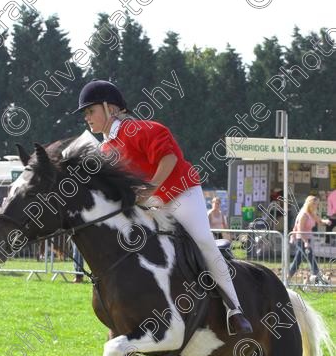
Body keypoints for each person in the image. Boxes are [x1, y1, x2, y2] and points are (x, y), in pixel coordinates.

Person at [75, 80, 252, 335]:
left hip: (181, 193)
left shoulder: (140, 129)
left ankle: (235, 309)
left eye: (90, 111)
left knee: (203, 241)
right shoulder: (104, 148)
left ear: (110, 108)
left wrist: (150, 187)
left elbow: (169, 158)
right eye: (85, 114)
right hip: (152, 204)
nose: (87, 118)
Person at [289, 195, 331, 281]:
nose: (317, 205)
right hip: (301, 239)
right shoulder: (304, 214)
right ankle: (287, 278)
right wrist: (305, 242)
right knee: (301, 259)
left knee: (304, 259)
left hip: (307, 239)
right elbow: (300, 230)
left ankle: (317, 276)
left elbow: (319, 221)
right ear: (310, 204)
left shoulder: (311, 213)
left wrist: (326, 221)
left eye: (317, 204)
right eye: (315, 204)